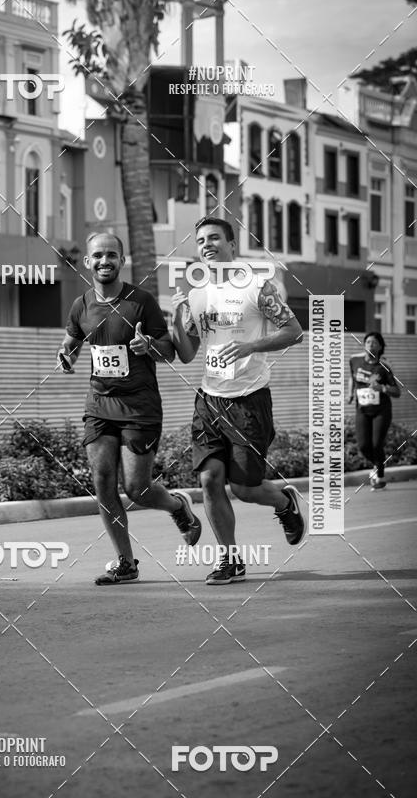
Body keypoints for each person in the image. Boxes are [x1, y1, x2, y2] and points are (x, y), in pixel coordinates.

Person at [58, 231, 201, 585]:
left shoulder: (142, 302)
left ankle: (177, 507)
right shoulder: (82, 304)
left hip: (139, 407)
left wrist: (148, 344)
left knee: (137, 488)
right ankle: (126, 562)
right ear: (87, 262)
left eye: (111, 255)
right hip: (99, 404)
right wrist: (66, 356)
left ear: (122, 261)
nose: (104, 261)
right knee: (103, 482)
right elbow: (72, 341)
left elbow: (170, 352)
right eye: (97, 256)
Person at [171, 216, 305, 586]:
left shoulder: (257, 287)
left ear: (232, 244)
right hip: (209, 399)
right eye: (200, 241)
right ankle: (230, 559)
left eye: (215, 238)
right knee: (209, 480)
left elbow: (294, 331)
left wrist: (251, 345)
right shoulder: (197, 296)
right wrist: (175, 323)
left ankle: (283, 502)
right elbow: (187, 353)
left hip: (249, 399)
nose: (207, 245)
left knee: (245, 488)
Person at [348, 331, 400, 490]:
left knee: (377, 444)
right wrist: (349, 393)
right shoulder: (354, 360)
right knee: (364, 446)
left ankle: (380, 477)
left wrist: (382, 387)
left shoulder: (385, 366)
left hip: (381, 411)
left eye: (375, 342)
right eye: (368, 342)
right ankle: (377, 467)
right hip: (362, 410)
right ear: (364, 344)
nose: (371, 344)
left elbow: (397, 392)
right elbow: (352, 377)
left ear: (380, 347)